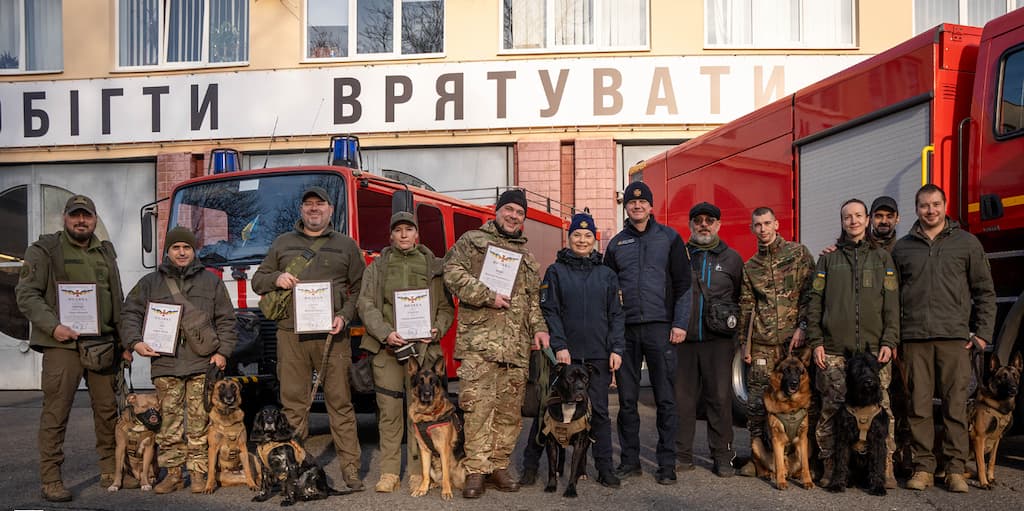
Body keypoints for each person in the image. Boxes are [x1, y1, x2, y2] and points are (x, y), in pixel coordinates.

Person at [252, 186, 366, 490]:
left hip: (333, 336)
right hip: (291, 336)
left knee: (340, 404)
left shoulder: (346, 245)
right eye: (308, 205)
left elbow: (360, 289)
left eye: (320, 204)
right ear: (301, 211)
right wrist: (276, 277)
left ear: (330, 210)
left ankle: (351, 469)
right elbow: (258, 280)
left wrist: (344, 315)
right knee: (294, 406)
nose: (314, 209)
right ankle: (292, 467)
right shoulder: (282, 243)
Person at [16, 194, 127, 502]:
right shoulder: (44, 250)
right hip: (61, 345)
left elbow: (116, 298)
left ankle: (110, 470)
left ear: (94, 219)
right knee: (56, 413)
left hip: (103, 344)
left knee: (107, 411)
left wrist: (124, 341)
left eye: (87, 216)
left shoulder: (105, 252)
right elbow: (26, 295)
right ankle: (51, 479)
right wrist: (53, 326)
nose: (81, 221)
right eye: (75, 215)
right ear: (65, 218)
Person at [443, 188, 550, 499]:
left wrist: (540, 330)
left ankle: (499, 465)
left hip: (515, 347)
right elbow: (451, 272)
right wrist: (487, 295)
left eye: (520, 213)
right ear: (497, 210)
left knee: (508, 411)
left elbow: (532, 302)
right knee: (476, 406)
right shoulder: (473, 241)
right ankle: (475, 470)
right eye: (509, 210)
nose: (513, 216)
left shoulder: (528, 258)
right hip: (479, 342)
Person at [892, 184, 996, 493]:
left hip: (954, 338)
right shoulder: (902, 248)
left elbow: (985, 293)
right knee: (919, 407)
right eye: (924, 205)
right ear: (917, 208)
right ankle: (923, 467)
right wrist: (896, 338)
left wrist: (982, 335)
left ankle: (955, 470)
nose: (930, 210)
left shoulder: (967, 243)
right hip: (914, 339)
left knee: (954, 406)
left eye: (936, 204)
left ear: (945, 204)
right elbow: (892, 299)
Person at [120, 226, 238, 493]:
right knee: (169, 424)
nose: (182, 252)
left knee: (199, 423)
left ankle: (197, 474)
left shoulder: (211, 282)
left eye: (186, 247)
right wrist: (135, 342)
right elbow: (129, 314)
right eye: (176, 247)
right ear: (168, 251)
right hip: (165, 363)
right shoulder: (150, 283)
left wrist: (223, 352)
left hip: (202, 363)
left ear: (194, 250)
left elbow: (227, 321)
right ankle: (173, 474)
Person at [522, 212, 624, 488]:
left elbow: (616, 314)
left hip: (598, 355)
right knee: (548, 410)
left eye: (587, 235)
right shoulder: (556, 271)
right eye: (577, 235)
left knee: (600, 413)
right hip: (564, 356)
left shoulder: (606, 275)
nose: (582, 240)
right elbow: (550, 310)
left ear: (595, 240)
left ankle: (605, 468)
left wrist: (616, 348)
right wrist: (560, 345)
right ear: (569, 239)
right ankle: (530, 467)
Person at [356, 211, 453, 493]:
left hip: (423, 350)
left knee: (421, 411)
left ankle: (415, 471)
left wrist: (436, 329)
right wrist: (386, 332)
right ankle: (388, 472)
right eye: (397, 230)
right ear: (390, 236)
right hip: (388, 348)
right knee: (388, 413)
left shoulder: (434, 266)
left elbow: (446, 308)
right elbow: (365, 304)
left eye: (408, 230)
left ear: (417, 235)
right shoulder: (377, 267)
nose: (403, 235)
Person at [805, 199, 899, 489]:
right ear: (842, 221)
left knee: (882, 411)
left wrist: (889, 339)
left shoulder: (882, 258)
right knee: (831, 411)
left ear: (867, 218)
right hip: (833, 351)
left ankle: (885, 468)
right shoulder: (828, 259)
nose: (854, 221)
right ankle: (831, 466)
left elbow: (892, 305)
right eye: (848, 217)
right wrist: (816, 342)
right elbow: (815, 302)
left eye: (859, 215)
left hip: (873, 352)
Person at [604, 181, 691, 485]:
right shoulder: (615, 245)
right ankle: (630, 461)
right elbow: (608, 294)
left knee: (665, 399)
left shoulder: (670, 239)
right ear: (625, 207)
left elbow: (683, 285)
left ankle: (666, 465)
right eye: (631, 202)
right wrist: (612, 337)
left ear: (651, 206)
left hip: (661, 329)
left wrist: (680, 323)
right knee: (627, 401)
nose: (637, 206)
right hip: (626, 332)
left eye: (642, 202)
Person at [737, 206, 815, 477]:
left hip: (795, 343)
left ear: (777, 224)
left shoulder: (798, 254)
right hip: (763, 344)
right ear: (752, 229)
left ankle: (804, 461)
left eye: (767, 223)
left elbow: (811, 294)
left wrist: (803, 327)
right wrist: (745, 347)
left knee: (802, 403)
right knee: (757, 403)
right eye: (757, 225)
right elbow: (746, 307)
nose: (763, 229)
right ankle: (758, 459)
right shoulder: (750, 267)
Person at [674, 202, 743, 477]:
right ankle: (682, 454)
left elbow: (740, 296)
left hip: (718, 342)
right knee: (683, 400)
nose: (704, 224)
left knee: (720, 398)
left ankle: (723, 456)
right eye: (698, 220)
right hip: (684, 342)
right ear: (690, 225)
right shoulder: (679, 256)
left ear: (718, 225)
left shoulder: (732, 259)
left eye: (709, 220)